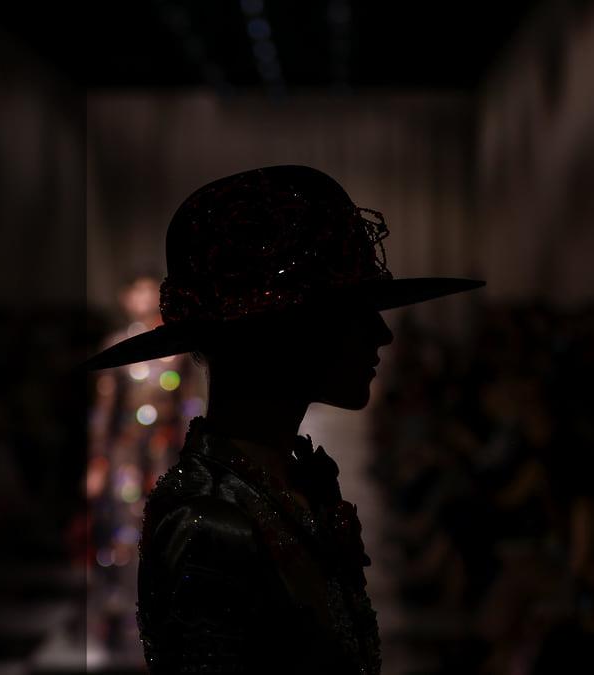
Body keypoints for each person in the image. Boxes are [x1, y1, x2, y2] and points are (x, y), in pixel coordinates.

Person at [85, 165, 484, 674]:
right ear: (285, 336)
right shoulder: (210, 523)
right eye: (354, 314)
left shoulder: (276, 485)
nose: (382, 334)